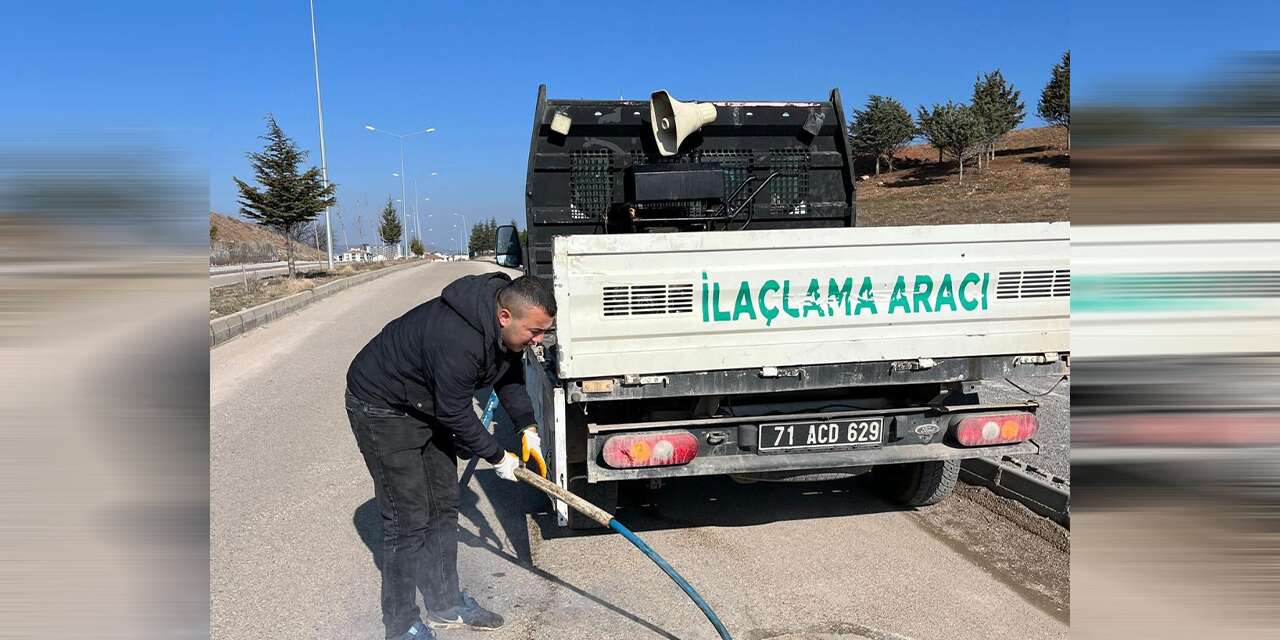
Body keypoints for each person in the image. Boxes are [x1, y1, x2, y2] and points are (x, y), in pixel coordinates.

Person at [345, 272, 554, 640]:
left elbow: (508, 378)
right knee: (407, 519)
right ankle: (400, 623)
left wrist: (527, 428)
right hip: (383, 407)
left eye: (543, 333)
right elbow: (457, 413)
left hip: (428, 402)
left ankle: (445, 604)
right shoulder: (458, 339)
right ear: (505, 316)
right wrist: (497, 456)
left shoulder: (505, 331)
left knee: (443, 504)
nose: (538, 341)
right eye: (534, 332)